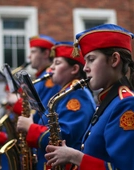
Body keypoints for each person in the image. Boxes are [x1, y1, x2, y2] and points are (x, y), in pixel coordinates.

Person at [44, 24, 134, 170]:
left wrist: (74, 157)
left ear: (114, 60)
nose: (85, 68)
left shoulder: (127, 104)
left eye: (91, 59)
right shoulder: (109, 101)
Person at [16, 41, 96, 170]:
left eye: (57, 63)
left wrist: (30, 128)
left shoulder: (77, 95)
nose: (51, 68)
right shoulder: (65, 92)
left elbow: (64, 136)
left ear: (74, 69)